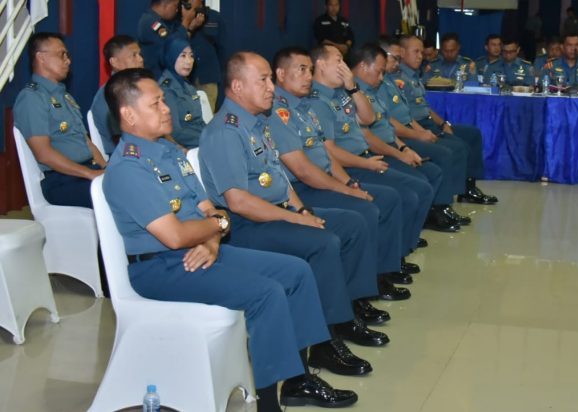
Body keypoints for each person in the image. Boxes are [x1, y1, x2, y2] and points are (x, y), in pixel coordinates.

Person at [102, 67, 343, 412]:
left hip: (201, 251)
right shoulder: (129, 168)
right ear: (128, 114)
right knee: (266, 293)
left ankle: (298, 379)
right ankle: (268, 405)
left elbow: (211, 211)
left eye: (164, 101)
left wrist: (213, 238)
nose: (167, 108)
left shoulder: (169, 152)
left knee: (296, 272)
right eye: (156, 104)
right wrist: (215, 226)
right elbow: (175, 236)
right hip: (160, 268)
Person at [198, 52, 393, 384]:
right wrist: (295, 220)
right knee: (322, 243)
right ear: (237, 86)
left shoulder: (256, 122)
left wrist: (301, 210)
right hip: (245, 226)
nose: (270, 87)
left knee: (350, 224)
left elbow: (279, 180)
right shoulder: (226, 131)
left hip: (275, 213)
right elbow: (239, 202)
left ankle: (342, 315)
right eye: (262, 80)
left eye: (269, 79)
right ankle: (321, 344)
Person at [270, 46, 420, 292]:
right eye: (302, 70)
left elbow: (326, 155)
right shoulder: (281, 111)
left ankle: (378, 274)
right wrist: (347, 189)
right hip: (303, 189)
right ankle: (363, 288)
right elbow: (304, 170)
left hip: (325, 178)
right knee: (364, 213)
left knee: (383, 199)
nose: (308, 76)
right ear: (281, 74)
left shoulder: (304, 107)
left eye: (309, 70)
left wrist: (348, 183)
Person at [307, 44, 435, 257]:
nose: (344, 66)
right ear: (321, 64)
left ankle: (398, 251)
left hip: (366, 157)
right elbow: (329, 152)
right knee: (401, 196)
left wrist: (352, 88)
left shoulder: (341, 93)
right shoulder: (317, 101)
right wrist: (366, 164)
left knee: (416, 187)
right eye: (338, 61)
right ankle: (390, 259)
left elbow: (368, 118)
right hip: (350, 165)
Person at [353, 43, 470, 230]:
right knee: (422, 181)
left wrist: (404, 148)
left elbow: (389, 124)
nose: (382, 77)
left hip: (392, 144)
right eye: (379, 71)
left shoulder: (374, 88)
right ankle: (423, 222)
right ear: (363, 66)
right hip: (374, 153)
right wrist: (401, 152)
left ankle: (433, 214)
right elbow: (369, 136)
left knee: (432, 171)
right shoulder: (354, 94)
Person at [397, 35, 499, 205]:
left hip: (428, 121)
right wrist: (422, 132)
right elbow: (403, 115)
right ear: (402, 52)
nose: (420, 56)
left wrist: (443, 124)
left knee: (472, 134)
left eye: (421, 52)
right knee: (458, 146)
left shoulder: (413, 75)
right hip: (416, 126)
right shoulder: (398, 79)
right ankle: (443, 203)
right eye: (416, 52)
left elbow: (426, 108)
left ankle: (469, 188)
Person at [13, 32, 106, 208]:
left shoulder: (65, 96)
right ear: (41, 57)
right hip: (62, 181)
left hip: (85, 173)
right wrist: (90, 174)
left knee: (135, 183)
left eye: (67, 55)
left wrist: (105, 168)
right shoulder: (32, 98)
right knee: (121, 194)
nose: (68, 61)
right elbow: (44, 154)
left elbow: (86, 142)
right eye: (61, 54)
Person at [91, 35, 145, 157]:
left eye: (140, 54)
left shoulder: (140, 89)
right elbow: (121, 141)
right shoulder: (108, 96)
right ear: (114, 62)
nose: (141, 59)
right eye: (133, 55)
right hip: (128, 156)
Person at [159, 38, 206, 148]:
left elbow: (199, 121)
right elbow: (175, 132)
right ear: (171, 56)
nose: (189, 61)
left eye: (191, 56)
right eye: (183, 56)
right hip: (186, 148)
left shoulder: (188, 86)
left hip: (201, 141)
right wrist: (208, 138)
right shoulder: (166, 89)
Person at [137, 0, 204, 78]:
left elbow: (181, 43)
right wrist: (186, 21)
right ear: (165, 5)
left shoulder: (163, 21)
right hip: (156, 76)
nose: (177, 10)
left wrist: (190, 28)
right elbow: (173, 46)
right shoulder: (151, 22)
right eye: (175, 6)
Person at [188, 0, 226, 112]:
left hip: (208, 76)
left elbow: (222, 48)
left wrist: (216, 70)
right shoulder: (182, 16)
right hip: (187, 78)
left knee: (208, 113)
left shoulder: (215, 17)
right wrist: (192, 26)